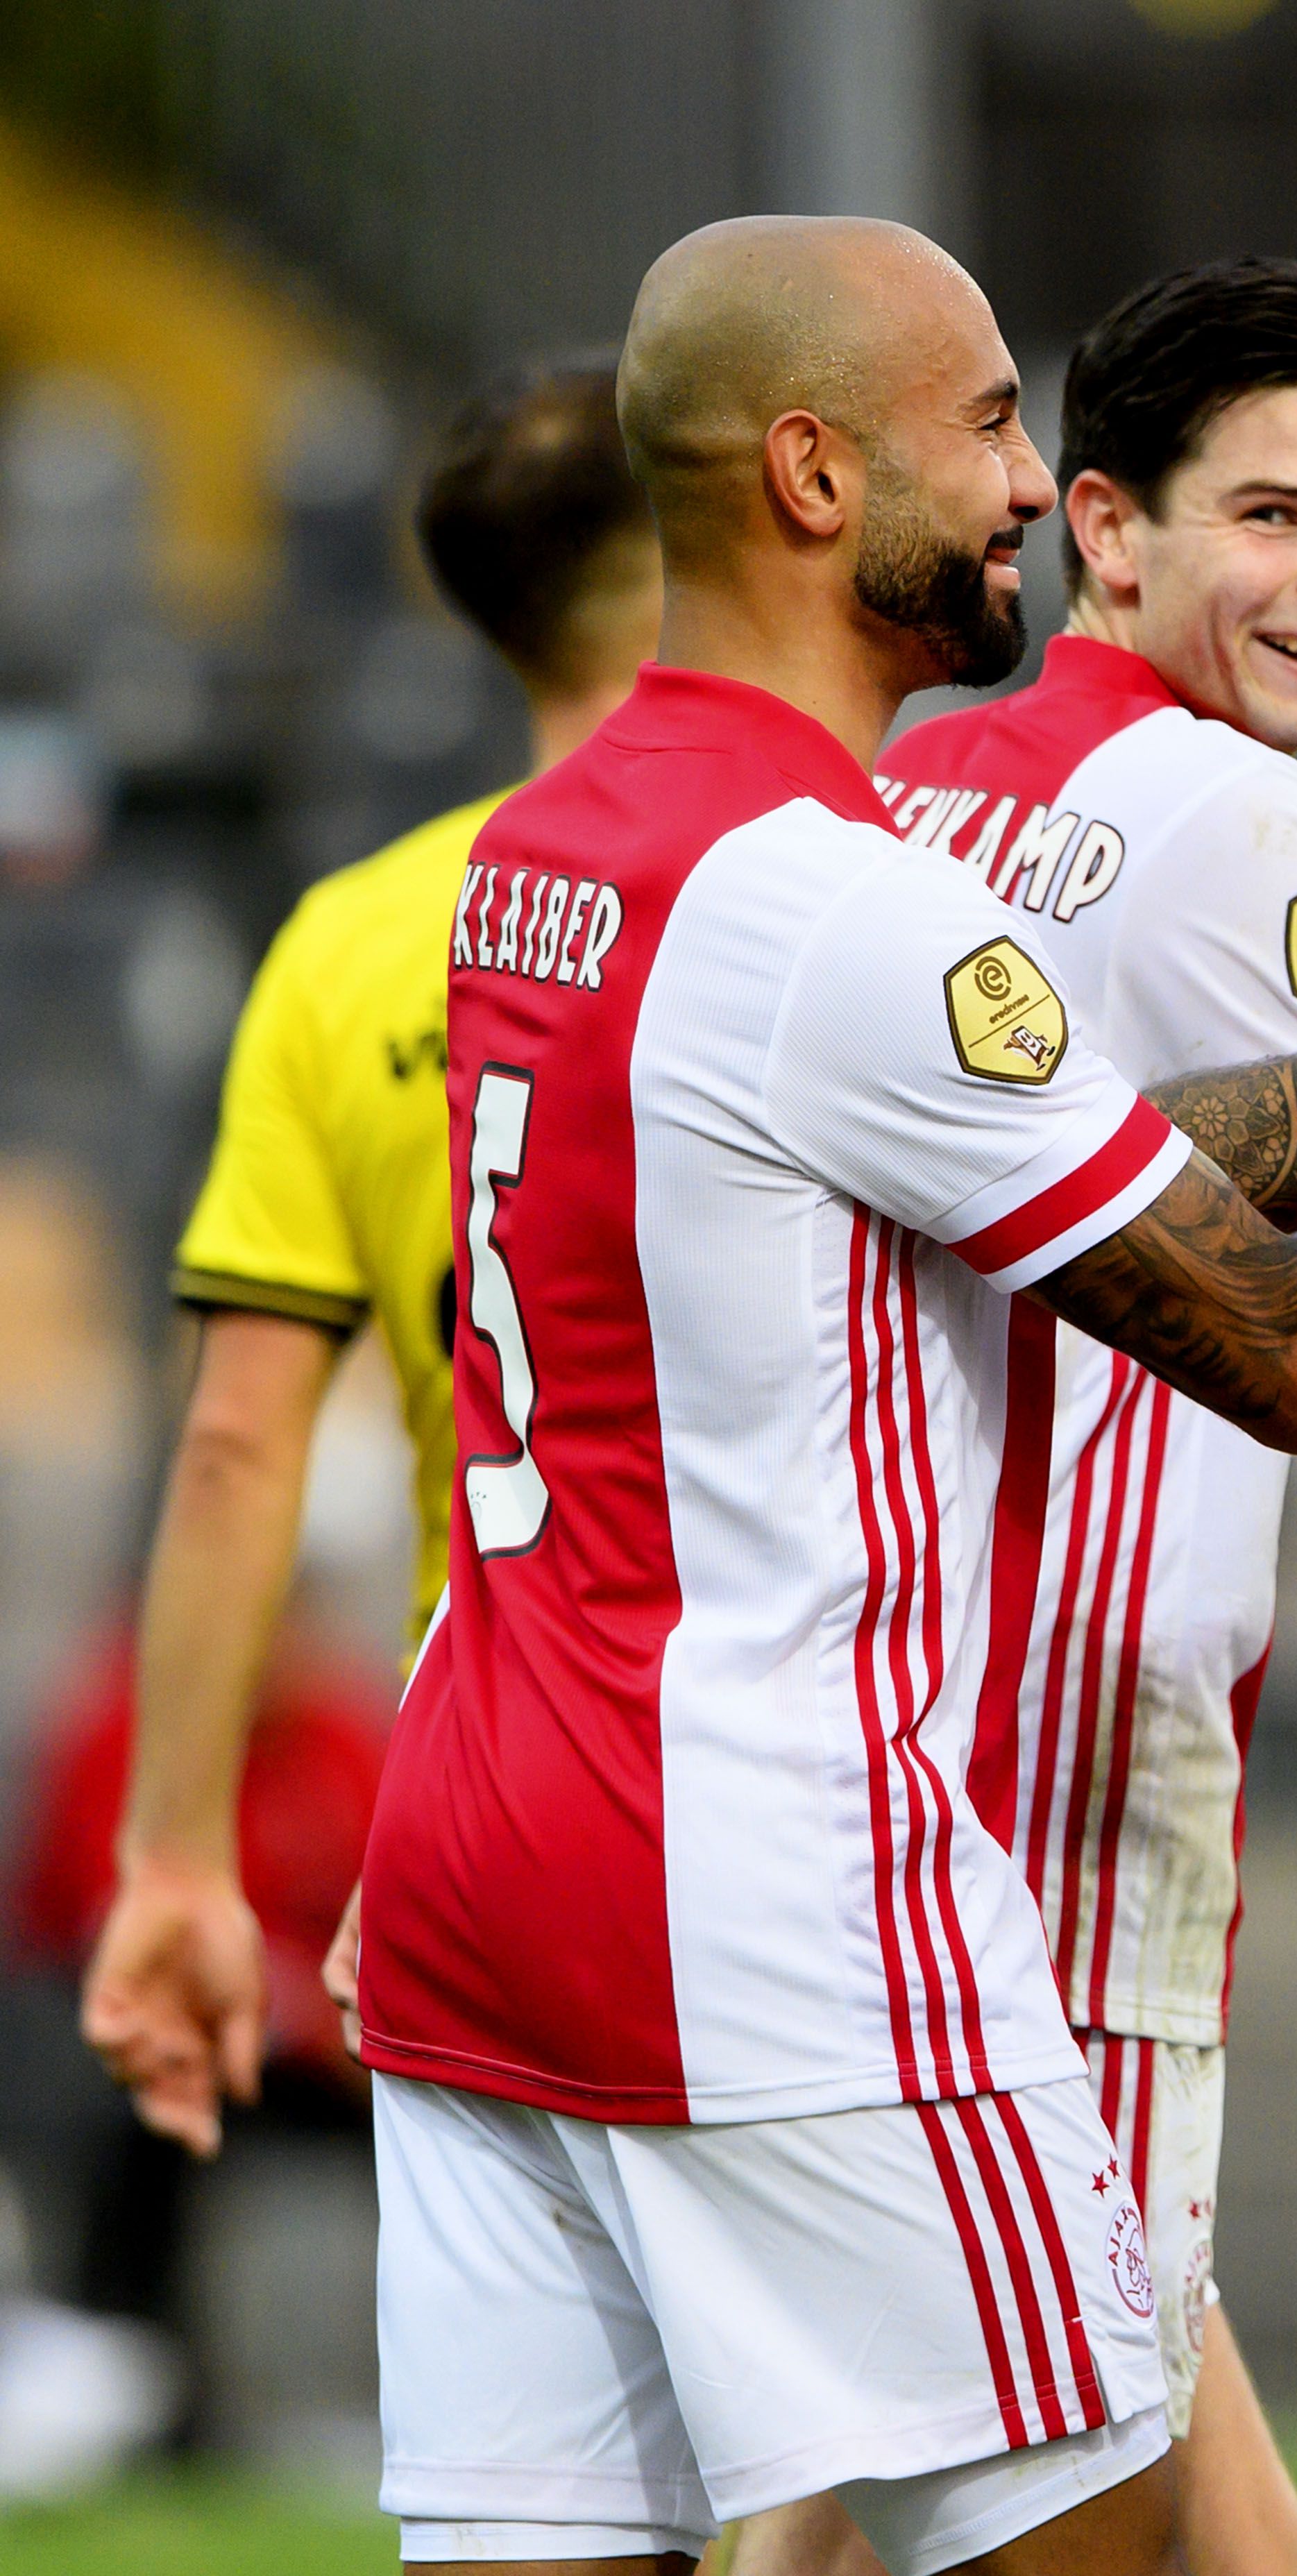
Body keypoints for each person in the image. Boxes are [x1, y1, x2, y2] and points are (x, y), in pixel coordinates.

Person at [354, 214, 1297, 2576]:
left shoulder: (554, 853)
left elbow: (1057, 1166)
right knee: (1121, 2536)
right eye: (991, 423)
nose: (1025, 482)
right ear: (814, 473)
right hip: (791, 1861)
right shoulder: (839, 898)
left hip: (479, 1832)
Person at [855, 246, 1297, 2576]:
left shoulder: (921, 786)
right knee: (1076, 2509)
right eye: (1278, 518)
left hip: (915, 1726)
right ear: (1105, 527)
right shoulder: (1231, 817)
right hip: (1080, 1774)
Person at [81, 360, 660, 2158]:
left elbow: (240, 1441)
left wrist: (171, 1853)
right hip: (761, 1772)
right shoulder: (826, 878)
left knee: (533, 2438)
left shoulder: (348, 942)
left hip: (466, 1774)